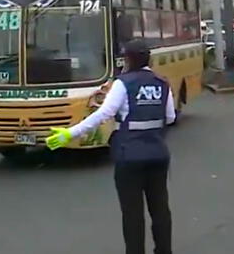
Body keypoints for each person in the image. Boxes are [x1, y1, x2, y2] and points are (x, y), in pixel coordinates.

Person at [46, 39, 176, 254]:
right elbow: (170, 117)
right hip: (158, 154)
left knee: (132, 213)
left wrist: (70, 133)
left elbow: (103, 114)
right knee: (160, 209)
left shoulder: (123, 83)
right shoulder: (162, 83)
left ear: (128, 59)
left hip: (129, 157)